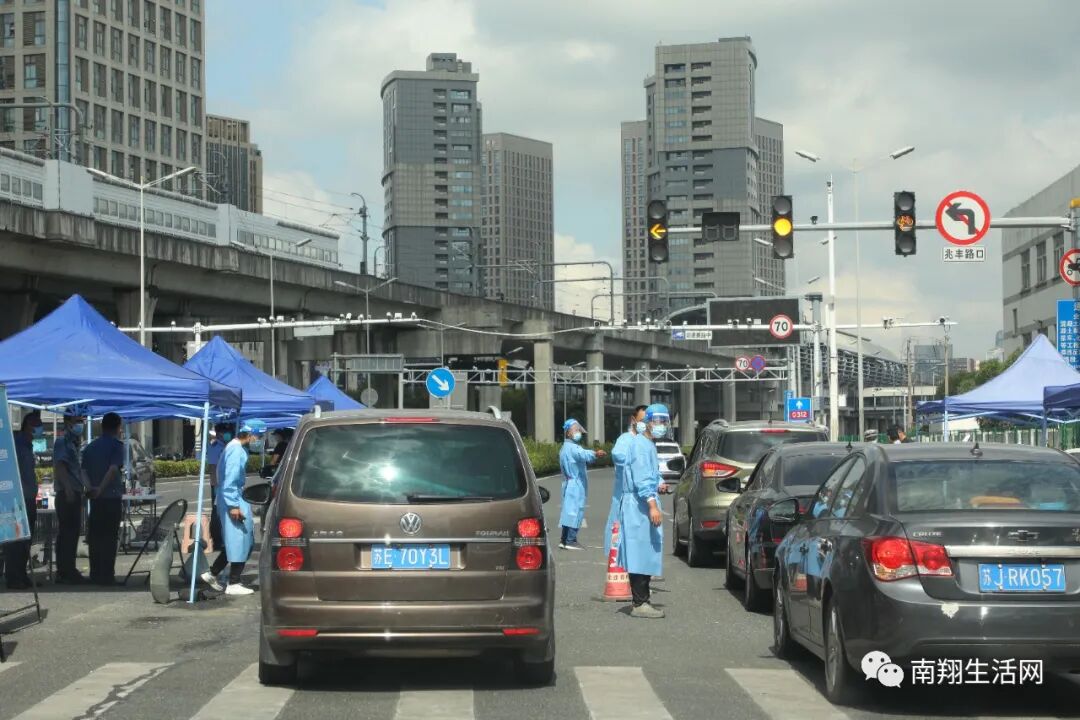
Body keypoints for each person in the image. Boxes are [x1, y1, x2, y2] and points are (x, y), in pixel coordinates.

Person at [201, 420, 266, 595]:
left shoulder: (232, 447)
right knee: (241, 540)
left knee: (238, 541)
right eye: (259, 436)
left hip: (231, 498)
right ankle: (234, 582)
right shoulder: (236, 450)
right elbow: (230, 479)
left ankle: (213, 573)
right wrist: (233, 505)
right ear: (251, 434)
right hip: (233, 499)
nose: (259, 439)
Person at [616, 403, 668, 619]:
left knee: (645, 551)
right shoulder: (639, 445)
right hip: (639, 505)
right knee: (638, 552)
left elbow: (650, 474)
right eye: (657, 420)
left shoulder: (647, 444)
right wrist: (652, 505)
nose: (661, 425)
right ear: (647, 422)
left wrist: (658, 485)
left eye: (664, 421)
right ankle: (639, 602)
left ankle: (643, 599)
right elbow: (641, 479)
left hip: (642, 503)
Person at [82, 412, 126, 586]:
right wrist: (100, 488)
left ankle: (95, 573)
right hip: (110, 497)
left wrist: (90, 488)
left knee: (95, 537)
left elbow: (83, 471)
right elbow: (113, 469)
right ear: (117, 427)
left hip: (95, 499)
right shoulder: (117, 446)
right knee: (109, 537)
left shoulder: (90, 447)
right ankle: (107, 575)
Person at [604, 405, 647, 560]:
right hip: (626, 497)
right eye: (642, 420)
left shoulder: (647, 442)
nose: (646, 424)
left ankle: (638, 567)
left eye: (648, 421)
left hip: (643, 498)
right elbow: (618, 455)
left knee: (640, 539)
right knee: (622, 537)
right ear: (633, 420)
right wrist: (636, 460)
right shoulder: (625, 439)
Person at [6, 411, 42, 590]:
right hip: (18, 500)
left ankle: (21, 574)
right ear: (28, 425)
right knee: (16, 541)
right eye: (37, 424)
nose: (40, 428)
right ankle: (13, 577)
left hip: (29, 498)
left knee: (26, 540)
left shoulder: (28, 445)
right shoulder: (18, 444)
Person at [558, 418, 606, 551]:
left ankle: (564, 539)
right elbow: (583, 454)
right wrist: (595, 453)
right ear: (568, 433)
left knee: (568, 512)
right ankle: (571, 540)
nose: (578, 432)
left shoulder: (564, 448)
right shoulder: (573, 448)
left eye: (579, 430)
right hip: (576, 483)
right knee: (576, 511)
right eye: (575, 430)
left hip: (568, 482)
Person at [53, 414, 89, 584]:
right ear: (67, 422)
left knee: (72, 533)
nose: (80, 424)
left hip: (75, 492)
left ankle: (67, 569)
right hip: (67, 493)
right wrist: (68, 488)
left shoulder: (75, 443)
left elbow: (78, 470)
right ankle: (66, 571)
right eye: (77, 421)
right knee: (68, 533)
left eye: (82, 421)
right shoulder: (62, 442)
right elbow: (60, 466)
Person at [205, 424, 229, 552]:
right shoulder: (216, 446)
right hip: (218, 484)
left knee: (221, 512)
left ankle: (222, 539)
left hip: (222, 483)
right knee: (217, 512)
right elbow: (213, 466)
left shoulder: (224, 445)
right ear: (220, 433)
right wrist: (218, 484)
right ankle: (217, 540)